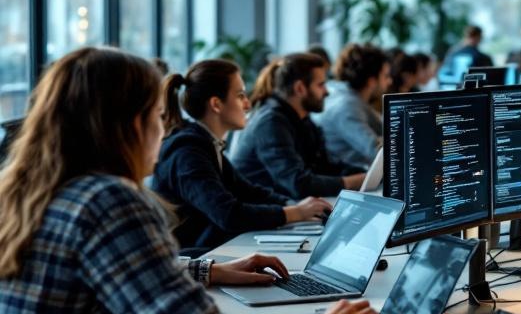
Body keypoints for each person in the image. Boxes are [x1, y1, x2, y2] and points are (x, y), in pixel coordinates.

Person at [0, 47, 385, 314]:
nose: (163, 128)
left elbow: (117, 269)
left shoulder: (33, 189)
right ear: (130, 124)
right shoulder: (109, 201)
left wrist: (210, 270)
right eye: (157, 116)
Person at [153, 59, 333, 249]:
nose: (247, 104)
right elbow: (229, 215)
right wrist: (296, 212)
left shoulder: (205, 143)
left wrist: (295, 204)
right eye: (240, 96)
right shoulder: (187, 151)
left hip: (216, 248)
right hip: (192, 258)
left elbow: (248, 191)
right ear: (216, 104)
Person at [231, 53, 365, 199]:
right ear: (300, 88)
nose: (326, 92)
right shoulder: (270, 123)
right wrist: (354, 182)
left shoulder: (302, 119)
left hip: (287, 204)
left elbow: (326, 165)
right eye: (321, 85)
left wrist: (368, 175)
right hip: (262, 209)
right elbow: (298, 184)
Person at [314, 44, 390, 170]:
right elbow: (376, 151)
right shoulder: (347, 106)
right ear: (372, 81)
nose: (389, 81)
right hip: (351, 175)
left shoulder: (348, 97)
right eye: (386, 76)